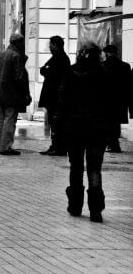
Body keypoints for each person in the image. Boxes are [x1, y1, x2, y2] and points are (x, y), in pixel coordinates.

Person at [60, 43, 113, 223]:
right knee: (94, 169)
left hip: (74, 128)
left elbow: (63, 103)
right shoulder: (103, 75)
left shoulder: (70, 73)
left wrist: (61, 128)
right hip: (97, 129)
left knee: (76, 167)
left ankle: (75, 205)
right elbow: (110, 105)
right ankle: (96, 209)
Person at [0, 33, 30, 156]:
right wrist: (25, 93)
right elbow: (19, 77)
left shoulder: (1, 54)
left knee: (3, 119)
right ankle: (6, 146)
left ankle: (3, 145)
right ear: (18, 43)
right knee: (10, 119)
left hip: (1, 92)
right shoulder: (16, 56)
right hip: (11, 93)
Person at [38, 36, 71, 156]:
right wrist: (46, 69)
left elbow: (51, 73)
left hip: (56, 97)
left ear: (56, 45)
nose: (49, 47)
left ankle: (59, 147)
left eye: (51, 44)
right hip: (52, 96)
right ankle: (55, 146)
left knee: (57, 122)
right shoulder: (55, 58)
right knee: (53, 122)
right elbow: (43, 69)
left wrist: (47, 70)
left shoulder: (61, 59)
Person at [101, 44, 131, 153]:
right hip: (120, 100)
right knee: (115, 123)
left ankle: (110, 143)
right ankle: (114, 144)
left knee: (106, 122)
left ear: (107, 53)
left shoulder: (102, 65)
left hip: (106, 100)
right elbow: (128, 84)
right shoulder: (125, 66)